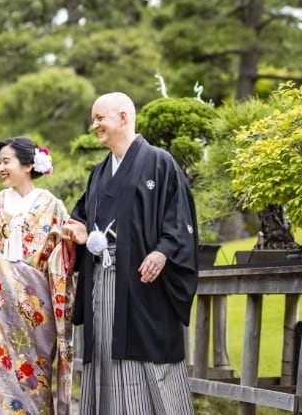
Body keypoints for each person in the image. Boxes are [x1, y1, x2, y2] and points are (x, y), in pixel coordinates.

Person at [65, 92, 199, 415]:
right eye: (93, 118)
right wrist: (80, 231)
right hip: (102, 282)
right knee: (105, 355)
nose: (94, 125)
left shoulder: (160, 162)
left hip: (144, 286)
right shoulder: (98, 172)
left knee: (146, 358)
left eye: (100, 118)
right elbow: (81, 215)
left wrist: (164, 252)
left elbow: (180, 218)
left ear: (123, 117)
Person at [0, 136, 86, 415]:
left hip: (36, 307)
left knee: (34, 373)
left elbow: (65, 253)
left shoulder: (52, 205)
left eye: (6, 162)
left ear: (28, 165)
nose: (0, 168)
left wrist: (63, 248)